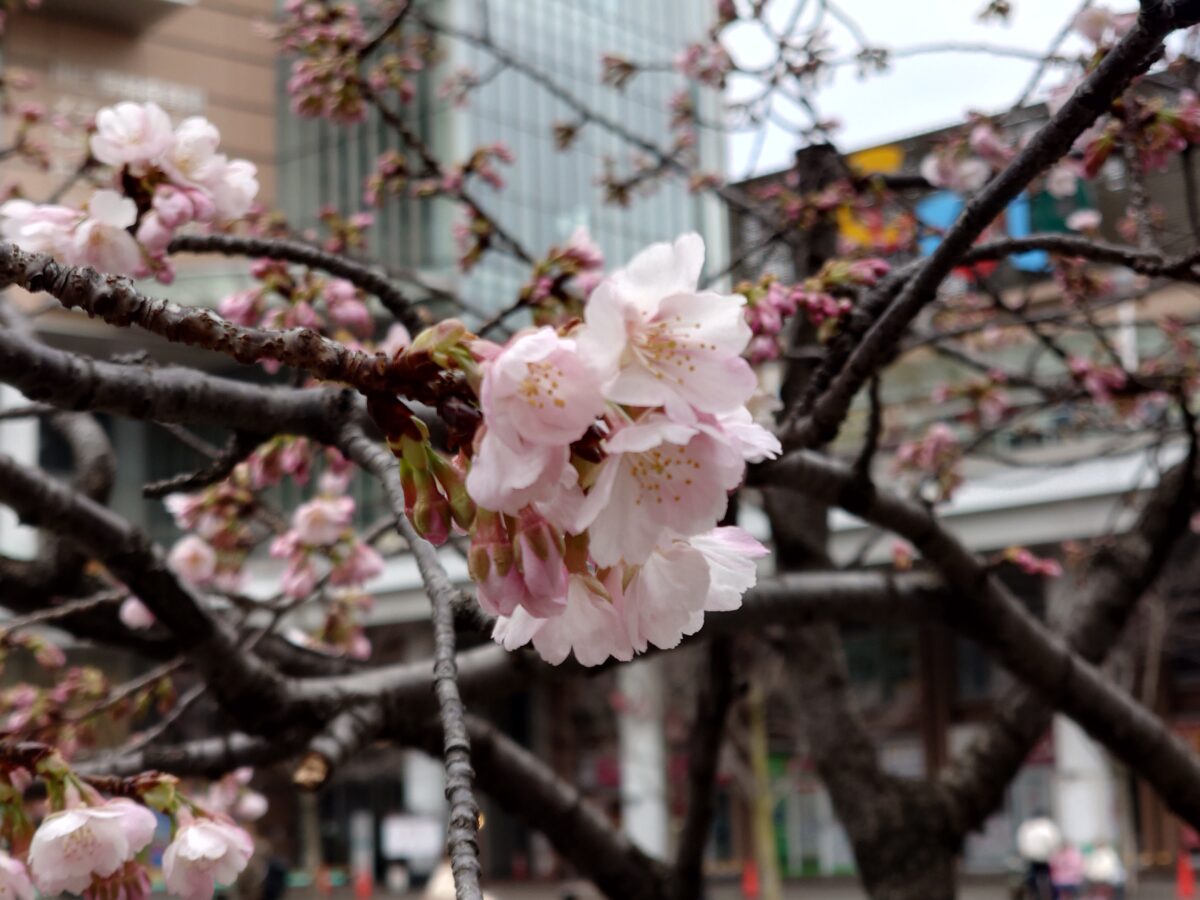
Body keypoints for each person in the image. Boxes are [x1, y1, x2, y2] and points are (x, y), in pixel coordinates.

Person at [1016, 815, 1061, 900]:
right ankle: (1049, 895)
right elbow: (1054, 841)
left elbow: (1023, 844)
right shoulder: (1047, 827)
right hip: (1043, 857)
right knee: (1048, 877)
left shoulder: (1028, 827)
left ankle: (1036, 893)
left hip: (1034, 857)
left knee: (1034, 877)